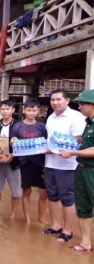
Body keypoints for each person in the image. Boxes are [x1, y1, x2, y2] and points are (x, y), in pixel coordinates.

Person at [43, 89, 85, 242]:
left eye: (58, 99)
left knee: (67, 197)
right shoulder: (51, 118)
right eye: (52, 100)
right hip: (50, 163)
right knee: (52, 195)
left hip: (68, 165)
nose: (55, 102)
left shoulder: (76, 117)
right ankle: (56, 225)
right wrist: (48, 149)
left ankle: (68, 230)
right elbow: (49, 138)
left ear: (67, 101)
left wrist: (59, 146)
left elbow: (79, 138)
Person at [60, 90, 94, 251]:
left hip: (92, 171)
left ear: (92, 105)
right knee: (83, 208)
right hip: (81, 169)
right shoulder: (88, 122)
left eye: (82, 104)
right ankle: (86, 242)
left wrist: (72, 152)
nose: (79, 106)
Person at [10, 98, 48, 224]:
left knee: (44, 193)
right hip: (24, 163)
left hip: (40, 163)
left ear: (38, 111)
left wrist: (46, 165)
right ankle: (27, 219)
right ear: (24, 110)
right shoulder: (18, 126)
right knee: (26, 191)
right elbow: (12, 141)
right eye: (29, 110)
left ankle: (41, 218)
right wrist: (13, 141)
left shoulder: (42, 127)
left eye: (34, 110)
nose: (31, 113)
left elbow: (47, 144)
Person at [0, 99, 22, 218]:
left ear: (13, 110)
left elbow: (21, 144)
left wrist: (14, 154)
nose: (5, 111)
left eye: (7, 109)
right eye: (2, 109)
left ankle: (13, 214)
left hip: (14, 162)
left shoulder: (18, 125)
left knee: (16, 190)